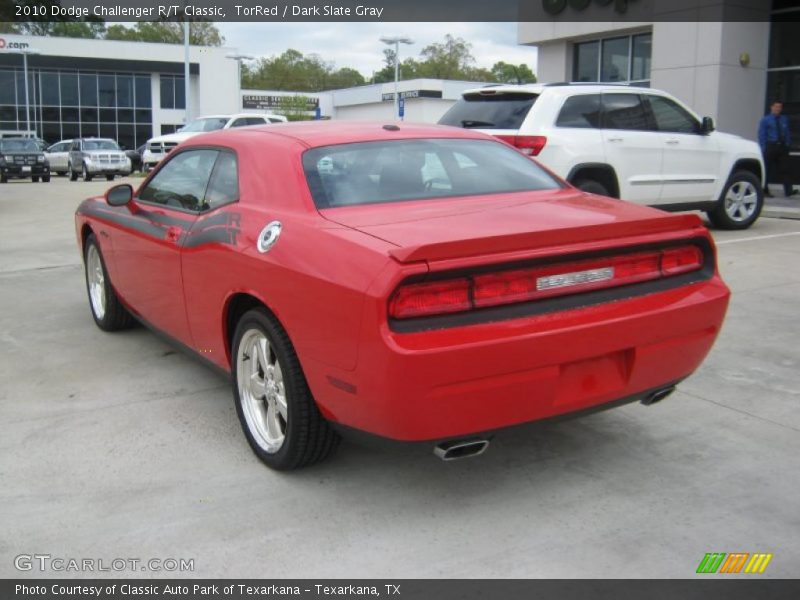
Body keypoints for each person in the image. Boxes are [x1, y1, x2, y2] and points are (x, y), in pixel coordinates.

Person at [758, 101, 798, 197]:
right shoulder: (766, 120)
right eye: (776, 107)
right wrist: (763, 147)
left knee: (786, 169)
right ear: (771, 107)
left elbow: (787, 132)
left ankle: (788, 191)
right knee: (767, 169)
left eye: (779, 107)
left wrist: (788, 143)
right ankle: (764, 190)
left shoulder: (784, 119)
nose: (778, 109)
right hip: (771, 146)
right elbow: (761, 134)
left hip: (782, 146)